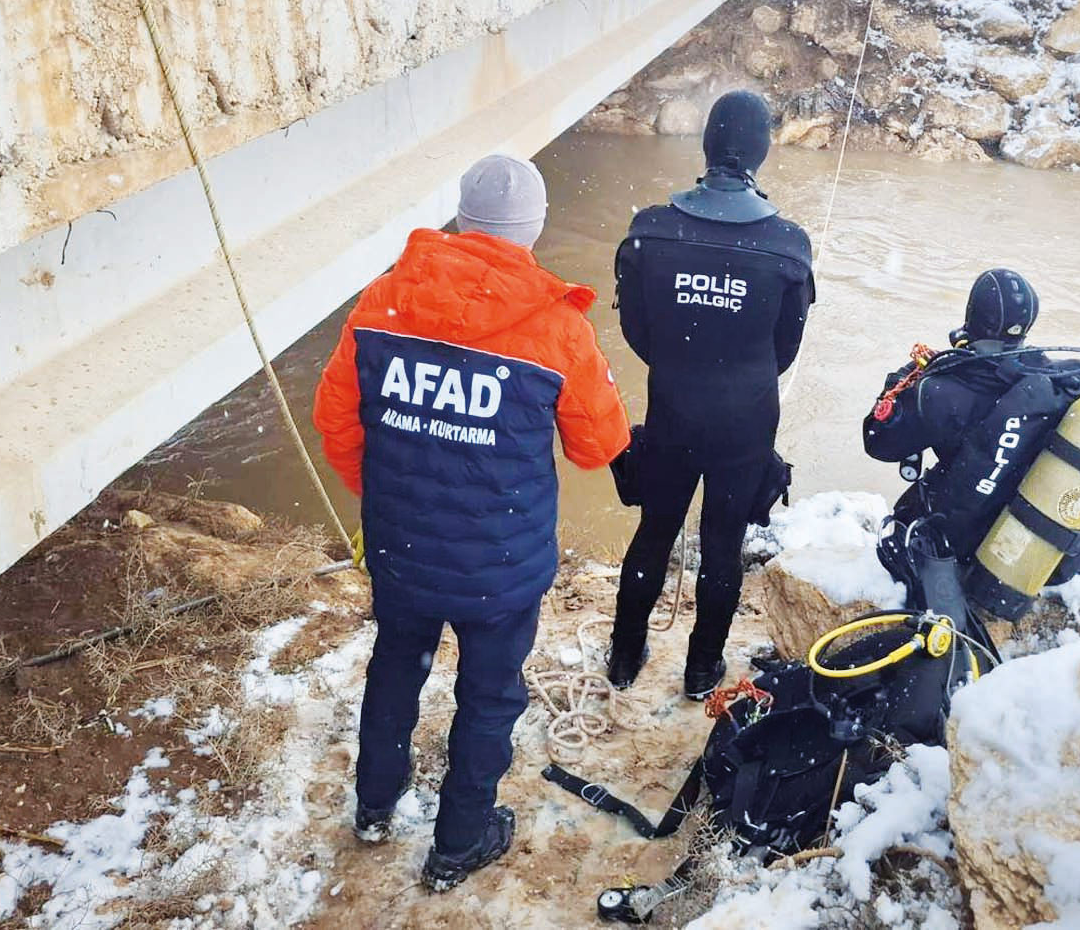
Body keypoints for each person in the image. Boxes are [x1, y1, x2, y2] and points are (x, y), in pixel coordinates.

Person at [314, 154, 630, 891]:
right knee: (488, 698)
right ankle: (459, 840)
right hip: (499, 567)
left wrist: (388, 498)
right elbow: (600, 445)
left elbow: (336, 421)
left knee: (396, 667)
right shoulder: (557, 329)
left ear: (462, 219)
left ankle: (374, 803)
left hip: (402, 551)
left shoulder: (383, 300)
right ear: (533, 230)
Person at [607, 91, 815, 698]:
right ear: (761, 151)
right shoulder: (787, 246)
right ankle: (701, 670)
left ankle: (624, 657)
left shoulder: (651, 230)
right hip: (746, 419)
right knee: (723, 544)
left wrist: (683, 363)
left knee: (654, 530)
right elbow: (785, 350)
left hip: (672, 407)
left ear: (707, 143)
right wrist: (731, 371)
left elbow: (637, 330)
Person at [862, 270, 1080, 597]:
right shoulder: (1060, 378)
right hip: (1027, 525)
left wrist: (903, 378)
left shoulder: (939, 392)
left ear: (971, 315)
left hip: (964, 538)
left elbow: (878, 442)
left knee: (906, 520)